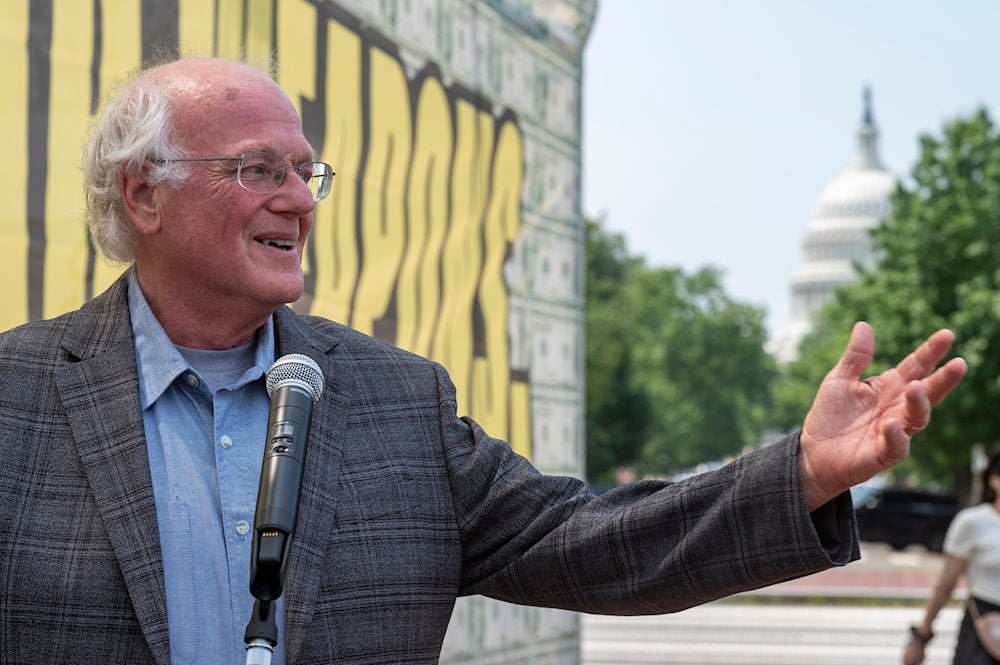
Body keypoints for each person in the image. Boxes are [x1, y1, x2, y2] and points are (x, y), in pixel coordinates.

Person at [0, 56, 967, 665]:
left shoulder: (393, 402)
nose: (299, 198)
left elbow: (598, 542)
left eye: (307, 171)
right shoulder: (17, 400)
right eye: (260, 168)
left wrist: (798, 475)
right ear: (144, 195)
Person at [904, 449, 1000, 665]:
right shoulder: (973, 522)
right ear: (993, 480)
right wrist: (922, 636)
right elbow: (946, 584)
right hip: (984, 628)